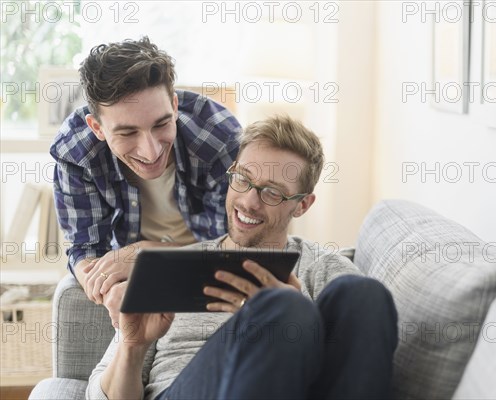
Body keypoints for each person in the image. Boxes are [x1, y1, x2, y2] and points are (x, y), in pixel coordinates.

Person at [86, 115, 399, 399]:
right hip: (185, 390)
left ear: (302, 205)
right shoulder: (173, 267)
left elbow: (353, 364)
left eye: (272, 192)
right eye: (243, 179)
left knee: (365, 295)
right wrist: (132, 346)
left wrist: (294, 326)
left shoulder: (327, 272)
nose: (249, 202)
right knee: (284, 307)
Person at [50, 37, 241, 306]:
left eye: (161, 124)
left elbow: (232, 252)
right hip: (135, 272)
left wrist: (147, 253)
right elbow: (87, 250)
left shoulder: (220, 139)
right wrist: (104, 287)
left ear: (174, 107)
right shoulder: (75, 152)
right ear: (97, 128)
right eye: (128, 132)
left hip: (204, 276)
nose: (150, 152)